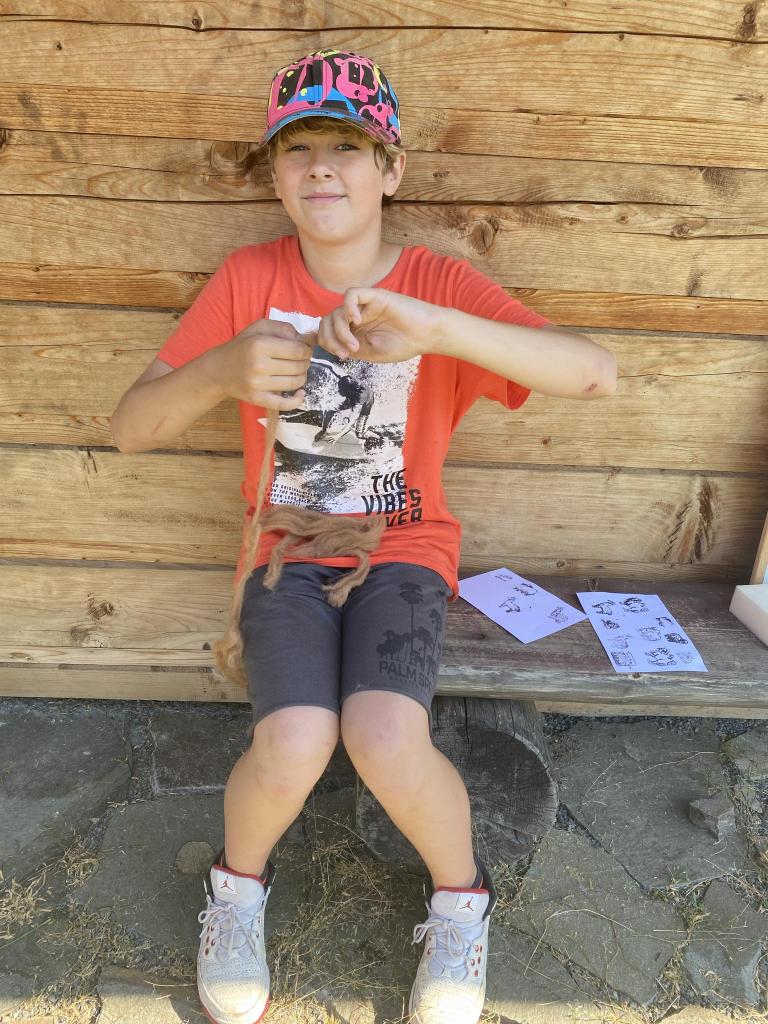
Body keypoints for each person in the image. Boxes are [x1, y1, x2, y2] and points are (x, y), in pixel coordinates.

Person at [110, 47, 617, 1024]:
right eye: (296, 150)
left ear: (392, 169)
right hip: (286, 555)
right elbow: (131, 427)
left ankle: (462, 902)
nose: (321, 168)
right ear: (274, 177)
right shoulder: (249, 279)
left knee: (385, 733)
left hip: (403, 552)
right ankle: (236, 889)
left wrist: (439, 328)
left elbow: (594, 372)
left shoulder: (434, 282)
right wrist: (219, 371)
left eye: (346, 146)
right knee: (295, 737)